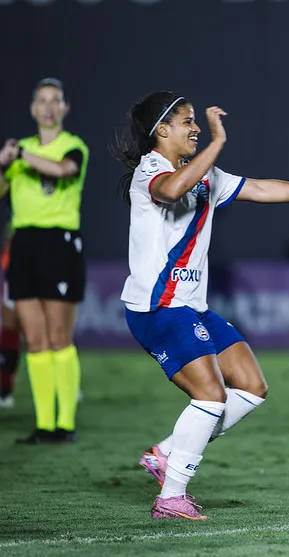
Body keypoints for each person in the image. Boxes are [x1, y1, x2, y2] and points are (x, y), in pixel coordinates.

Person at [116, 92, 289, 520]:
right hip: (157, 306)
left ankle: (166, 453)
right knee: (210, 396)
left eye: (196, 121)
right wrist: (215, 143)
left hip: (190, 305)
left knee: (250, 385)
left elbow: (262, 188)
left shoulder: (206, 174)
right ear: (161, 130)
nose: (195, 128)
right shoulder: (150, 169)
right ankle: (171, 496)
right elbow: (172, 189)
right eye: (187, 121)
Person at [0, 78, 88, 443]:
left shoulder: (74, 147)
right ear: (33, 108)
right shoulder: (19, 152)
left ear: (64, 108)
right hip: (23, 244)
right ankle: (44, 424)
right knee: (34, 340)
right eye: (42, 101)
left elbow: (64, 170)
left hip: (59, 244)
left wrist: (17, 155)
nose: (49, 107)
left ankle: (65, 425)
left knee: (58, 337)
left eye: (55, 101)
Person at [0, 226, 21, 408]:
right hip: (15, 275)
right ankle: (4, 388)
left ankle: (65, 385)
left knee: (50, 334)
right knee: (10, 328)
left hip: (46, 269)